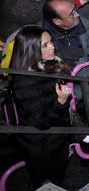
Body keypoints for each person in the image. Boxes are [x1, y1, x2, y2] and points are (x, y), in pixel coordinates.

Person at [9, 25, 72, 187]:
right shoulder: (25, 81)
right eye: (45, 45)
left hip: (57, 137)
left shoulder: (48, 66)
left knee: (58, 178)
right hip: (41, 144)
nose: (52, 47)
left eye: (50, 41)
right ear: (31, 50)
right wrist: (61, 102)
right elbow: (41, 122)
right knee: (45, 183)